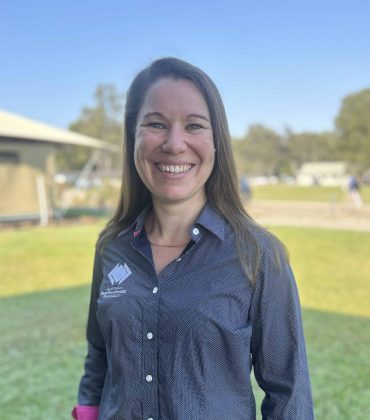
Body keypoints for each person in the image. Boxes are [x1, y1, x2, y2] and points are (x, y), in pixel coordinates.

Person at [72, 57, 314, 420]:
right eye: (155, 123)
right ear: (132, 137)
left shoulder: (259, 256)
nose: (174, 144)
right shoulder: (111, 247)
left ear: (217, 143)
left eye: (194, 125)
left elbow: (289, 394)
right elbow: (100, 354)